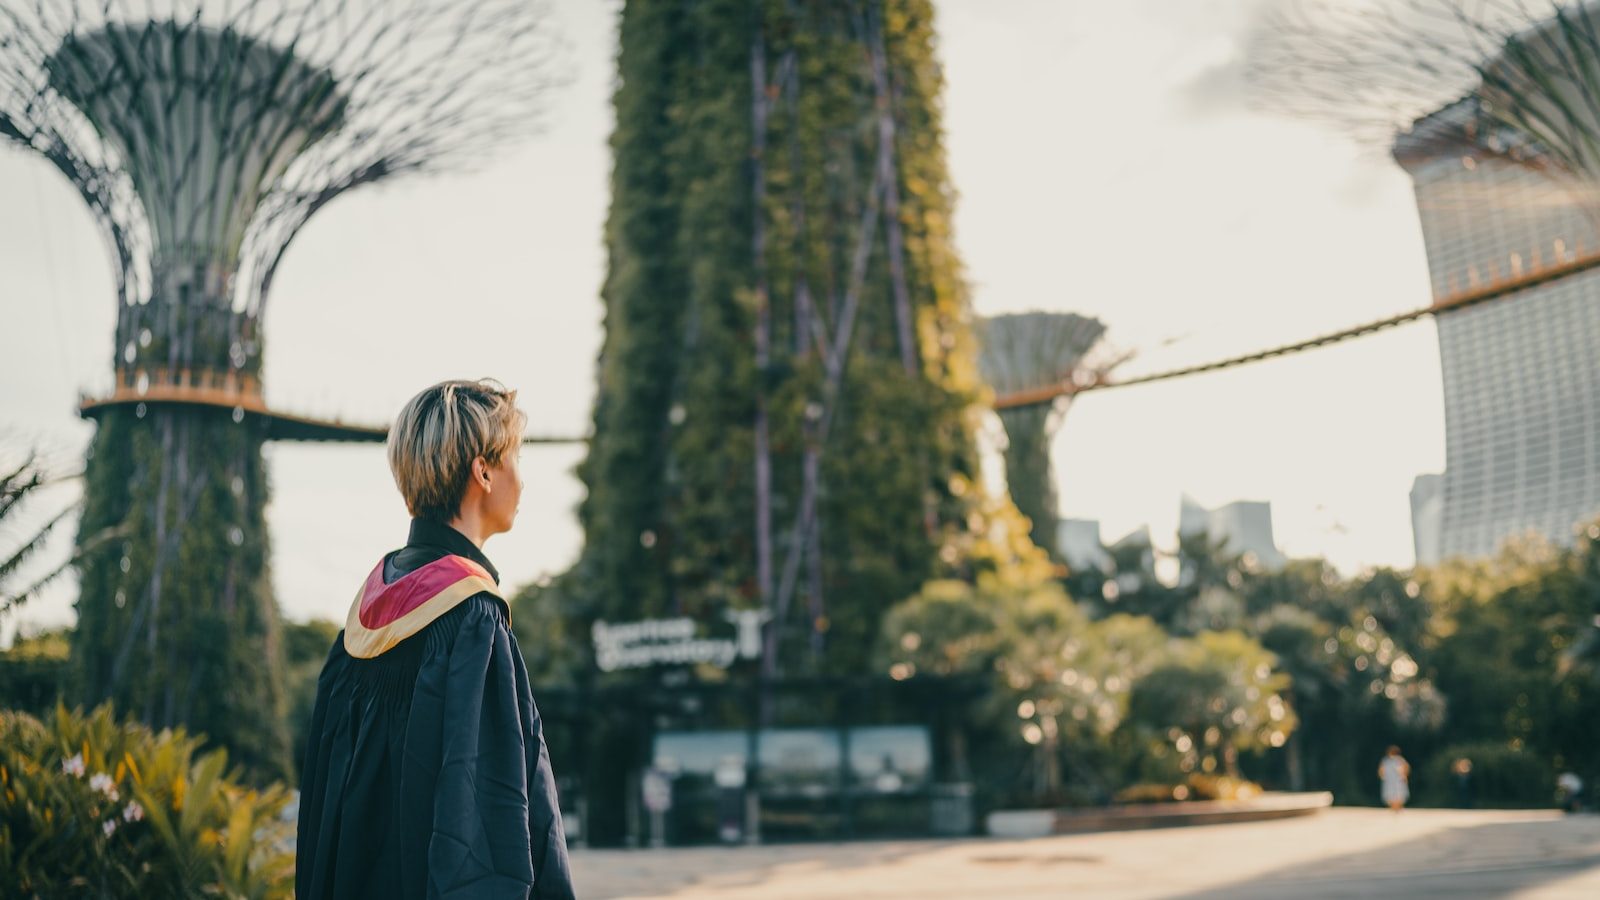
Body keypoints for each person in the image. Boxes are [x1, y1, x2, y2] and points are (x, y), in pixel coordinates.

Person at [296, 379, 576, 899]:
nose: (523, 479)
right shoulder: (473, 618)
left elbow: (322, 820)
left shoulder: (358, 628)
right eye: (516, 457)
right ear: (484, 471)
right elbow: (491, 819)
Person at [1378, 745, 1411, 812]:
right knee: (1398, 794)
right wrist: (1405, 776)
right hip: (1396, 780)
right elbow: (1406, 768)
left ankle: (1394, 808)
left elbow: (1381, 770)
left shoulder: (1387, 760)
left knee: (1392, 794)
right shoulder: (1400, 760)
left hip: (1391, 780)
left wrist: (1382, 776)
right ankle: (1396, 808)